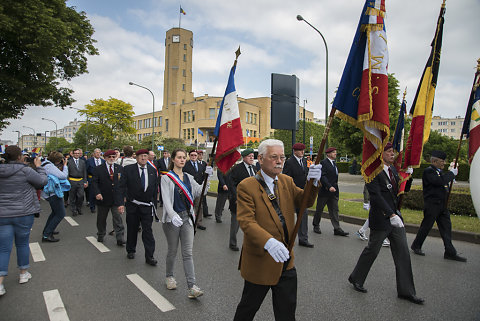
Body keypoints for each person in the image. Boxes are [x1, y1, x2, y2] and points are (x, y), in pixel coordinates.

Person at [233, 139, 322, 321]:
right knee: (247, 310)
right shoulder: (247, 186)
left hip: (285, 260)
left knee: (286, 313)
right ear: (261, 158)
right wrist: (268, 241)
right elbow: (246, 221)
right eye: (274, 157)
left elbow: (305, 201)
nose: (279, 161)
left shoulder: (286, 181)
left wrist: (312, 183)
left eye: (282, 157)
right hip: (261, 261)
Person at [348, 143, 424, 305]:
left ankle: (406, 291)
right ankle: (356, 278)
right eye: (388, 151)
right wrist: (390, 214)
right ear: (380, 154)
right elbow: (375, 196)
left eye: (393, 152)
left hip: (395, 219)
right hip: (382, 218)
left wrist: (408, 178)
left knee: (403, 253)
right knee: (372, 251)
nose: (392, 154)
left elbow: (400, 191)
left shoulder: (393, 170)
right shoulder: (373, 172)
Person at [161, 149, 213, 299]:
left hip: (187, 218)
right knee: (172, 250)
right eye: (179, 157)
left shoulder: (189, 177)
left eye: (184, 158)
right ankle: (169, 276)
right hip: (172, 220)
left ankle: (192, 286)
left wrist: (207, 178)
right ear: (173, 159)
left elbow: (200, 192)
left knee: (188, 253)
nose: (182, 160)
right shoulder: (167, 178)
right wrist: (171, 215)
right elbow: (165, 200)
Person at [0, 146, 47, 296]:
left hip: (3, 214)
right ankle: (23, 273)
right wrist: (39, 168)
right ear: (20, 156)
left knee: (3, 248)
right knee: (22, 243)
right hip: (24, 212)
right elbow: (41, 183)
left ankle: (0, 283)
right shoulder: (26, 171)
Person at [410, 151, 466, 262]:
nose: (443, 163)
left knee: (446, 228)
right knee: (426, 226)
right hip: (432, 205)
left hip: (442, 206)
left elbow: (442, 183)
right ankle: (416, 245)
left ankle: (449, 251)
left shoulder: (439, 172)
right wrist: (451, 174)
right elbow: (439, 182)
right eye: (441, 161)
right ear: (434, 161)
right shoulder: (429, 171)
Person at [119, 149, 159, 266]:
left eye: (145, 156)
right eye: (141, 156)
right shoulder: (128, 169)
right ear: (136, 157)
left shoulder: (152, 170)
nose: (143, 158)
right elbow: (121, 187)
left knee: (148, 231)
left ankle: (149, 256)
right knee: (132, 228)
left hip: (147, 206)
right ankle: (131, 250)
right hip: (133, 205)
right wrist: (121, 203)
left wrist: (154, 207)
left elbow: (154, 190)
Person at [312, 147, 349, 236]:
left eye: (335, 152)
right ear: (328, 154)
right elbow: (323, 176)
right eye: (333, 152)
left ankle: (337, 228)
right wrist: (329, 186)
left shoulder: (334, 163)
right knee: (319, 209)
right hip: (325, 191)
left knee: (334, 210)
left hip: (334, 192)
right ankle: (316, 225)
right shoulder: (324, 163)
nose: (335, 154)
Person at [283, 143, 313, 248]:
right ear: (295, 151)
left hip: (302, 194)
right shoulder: (289, 162)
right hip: (292, 194)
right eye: (300, 150)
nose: (302, 152)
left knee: (303, 216)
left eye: (303, 150)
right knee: (288, 217)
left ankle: (303, 239)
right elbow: (286, 178)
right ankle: (286, 239)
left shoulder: (304, 162)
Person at [92, 150, 125, 246]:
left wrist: (124, 196)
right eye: (109, 157)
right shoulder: (98, 169)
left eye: (113, 157)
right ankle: (101, 234)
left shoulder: (120, 168)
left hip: (116, 199)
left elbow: (123, 184)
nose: (111, 158)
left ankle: (120, 237)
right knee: (101, 219)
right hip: (103, 198)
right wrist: (97, 193)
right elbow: (94, 182)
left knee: (117, 218)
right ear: (105, 158)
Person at [229, 148, 257, 251]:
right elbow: (231, 184)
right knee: (235, 224)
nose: (251, 157)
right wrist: (237, 197)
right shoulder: (237, 168)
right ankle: (232, 243)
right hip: (238, 201)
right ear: (244, 157)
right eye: (249, 156)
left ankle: (252, 244)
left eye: (252, 156)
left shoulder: (254, 168)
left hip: (252, 201)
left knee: (252, 224)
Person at [41, 152, 70, 242]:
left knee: (54, 212)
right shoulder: (50, 166)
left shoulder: (45, 163)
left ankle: (48, 230)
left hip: (49, 192)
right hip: (53, 193)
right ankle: (46, 235)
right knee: (61, 214)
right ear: (58, 160)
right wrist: (65, 166)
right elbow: (63, 176)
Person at [183, 150, 207, 230]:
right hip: (188, 189)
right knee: (188, 206)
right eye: (192, 155)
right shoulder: (185, 165)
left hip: (198, 189)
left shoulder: (201, 165)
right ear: (189, 156)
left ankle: (198, 222)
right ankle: (188, 221)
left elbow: (204, 176)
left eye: (195, 155)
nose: (193, 157)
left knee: (199, 206)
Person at [67, 148, 88, 216]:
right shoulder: (69, 162)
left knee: (81, 196)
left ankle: (79, 208)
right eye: (75, 153)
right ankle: (74, 210)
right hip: (72, 180)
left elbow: (85, 172)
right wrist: (67, 182)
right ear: (73, 154)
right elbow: (67, 172)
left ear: (80, 154)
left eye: (78, 153)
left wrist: (85, 181)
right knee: (72, 196)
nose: (77, 154)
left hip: (80, 181)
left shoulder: (82, 162)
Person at [86, 148, 105, 213]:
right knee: (92, 193)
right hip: (92, 178)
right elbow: (86, 170)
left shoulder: (103, 161)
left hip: (101, 179)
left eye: (99, 152)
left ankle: (100, 205)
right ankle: (92, 207)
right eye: (96, 152)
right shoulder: (89, 161)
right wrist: (86, 180)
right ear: (94, 154)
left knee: (100, 192)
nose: (98, 154)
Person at [197, 150, 211, 218]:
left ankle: (206, 213)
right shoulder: (195, 163)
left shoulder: (204, 163)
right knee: (197, 200)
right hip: (197, 183)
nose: (200, 156)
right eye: (199, 155)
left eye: (201, 155)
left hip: (203, 182)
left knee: (204, 199)